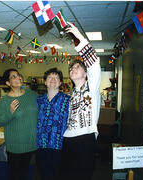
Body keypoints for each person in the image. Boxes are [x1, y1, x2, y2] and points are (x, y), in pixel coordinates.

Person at [61, 22, 101, 180]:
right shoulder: (72, 94)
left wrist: (78, 36)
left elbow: (94, 63)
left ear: (85, 74)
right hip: (68, 139)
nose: (72, 70)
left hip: (85, 138)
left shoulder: (91, 87)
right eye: (71, 69)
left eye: (77, 67)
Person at [0, 68, 38, 180]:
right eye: (13, 77)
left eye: (18, 75)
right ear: (8, 83)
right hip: (16, 148)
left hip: (33, 145)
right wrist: (10, 112)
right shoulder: (5, 100)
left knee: (32, 176)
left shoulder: (32, 95)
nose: (18, 77)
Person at [36, 68, 70, 180]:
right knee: (44, 176)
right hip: (42, 145)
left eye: (56, 78)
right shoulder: (38, 101)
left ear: (60, 83)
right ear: (45, 82)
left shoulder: (68, 100)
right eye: (50, 77)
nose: (53, 80)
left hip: (59, 146)